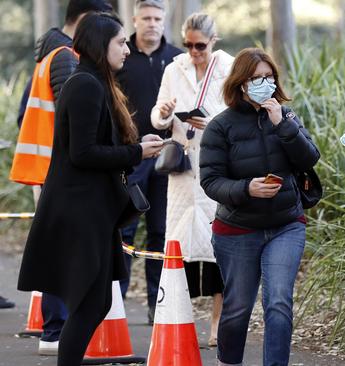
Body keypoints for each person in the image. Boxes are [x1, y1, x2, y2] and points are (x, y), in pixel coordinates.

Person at [17, 12, 164, 365]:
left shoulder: (94, 82)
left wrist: (135, 147)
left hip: (93, 209)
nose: (126, 49)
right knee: (88, 303)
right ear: (101, 45)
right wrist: (136, 152)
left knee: (96, 302)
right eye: (119, 42)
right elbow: (82, 153)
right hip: (81, 211)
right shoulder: (85, 84)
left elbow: (94, 145)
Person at [199, 47, 320, 366]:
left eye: (269, 77)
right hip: (237, 229)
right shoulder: (220, 127)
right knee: (237, 308)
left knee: (278, 301)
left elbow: (310, 159)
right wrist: (246, 188)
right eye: (257, 78)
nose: (265, 83)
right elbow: (211, 181)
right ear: (241, 83)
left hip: (286, 225)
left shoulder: (286, 117)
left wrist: (282, 124)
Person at [10, 0, 113, 355]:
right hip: (67, 179)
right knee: (70, 270)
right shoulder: (69, 61)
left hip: (50, 173)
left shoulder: (48, 56)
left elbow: (28, 112)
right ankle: (55, 331)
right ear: (88, 24)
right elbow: (79, 131)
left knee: (65, 266)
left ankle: (56, 331)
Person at [150, 12, 232, 346]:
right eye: (188, 45)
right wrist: (166, 112)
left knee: (218, 248)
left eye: (200, 45)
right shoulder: (174, 68)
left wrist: (210, 122)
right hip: (183, 169)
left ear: (213, 40)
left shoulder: (227, 67)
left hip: (216, 167)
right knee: (178, 246)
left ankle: (217, 323)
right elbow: (156, 117)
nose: (194, 52)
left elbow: (238, 114)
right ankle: (176, 320)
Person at [116, 0, 182, 325]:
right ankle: (116, 301)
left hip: (168, 156)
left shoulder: (178, 58)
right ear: (135, 20)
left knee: (160, 231)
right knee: (124, 227)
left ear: (164, 20)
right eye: (146, 18)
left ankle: (158, 305)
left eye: (157, 18)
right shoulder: (121, 55)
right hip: (131, 155)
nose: (152, 24)